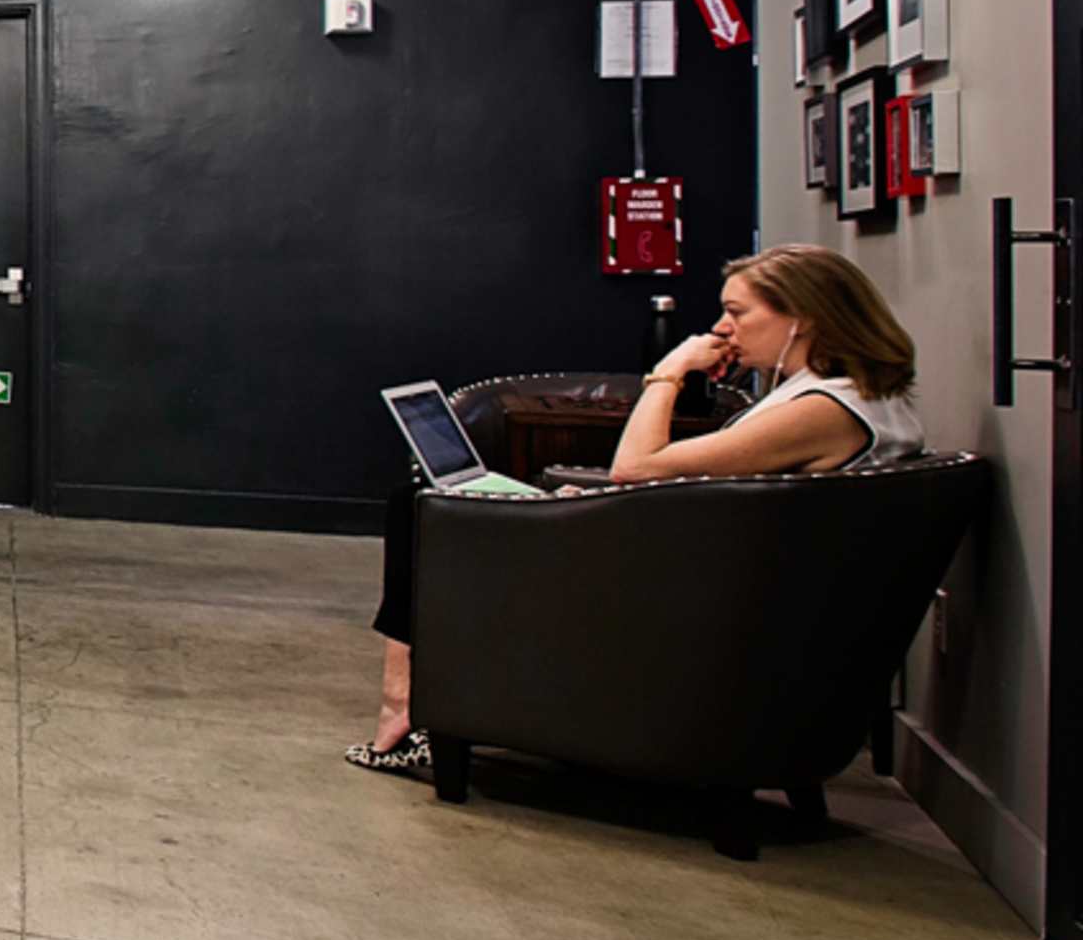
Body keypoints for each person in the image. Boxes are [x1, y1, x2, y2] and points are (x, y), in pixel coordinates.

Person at [353, 244, 924, 775]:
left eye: (738, 312)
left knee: (423, 509)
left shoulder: (821, 410)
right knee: (436, 505)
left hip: (692, 601)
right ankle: (410, 702)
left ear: (806, 317)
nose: (723, 329)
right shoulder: (849, 398)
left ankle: (402, 703)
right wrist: (606, 511)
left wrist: (669, 372)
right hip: (714, 580)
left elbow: (638, 465)